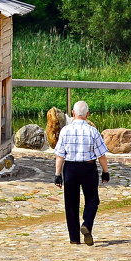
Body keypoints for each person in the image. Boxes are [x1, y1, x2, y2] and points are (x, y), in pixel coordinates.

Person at [54, 100, 111, 246]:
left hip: (70, 168)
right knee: (92, 200)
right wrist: (105, 172)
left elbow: (60, 155)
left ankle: (74, 238)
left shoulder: (65, 131)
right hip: (88, 167)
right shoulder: (92, 131)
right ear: (87, 114)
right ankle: (87, 223)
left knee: (71, 203)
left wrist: (57, 175)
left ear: (73, 113)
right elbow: (101, 155)